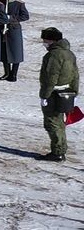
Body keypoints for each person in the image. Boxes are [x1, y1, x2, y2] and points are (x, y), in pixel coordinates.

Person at [37, 27, 78, 162]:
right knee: (59, 122)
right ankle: (61, 149)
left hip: (53, 93)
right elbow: (75, 75)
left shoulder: (54, 55)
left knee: (52, 123)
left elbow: (51, 77)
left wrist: (44, 95)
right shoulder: (69, 53)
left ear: (52, 40)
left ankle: (57, 152)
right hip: (65, 92)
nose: (44, 42)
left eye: (45, 40)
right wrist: (74, 91)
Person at [0, 0, 30, 81]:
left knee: (16, 52)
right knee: (4, 51)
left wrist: (11, 18)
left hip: (14, 29)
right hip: (2, 29)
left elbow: (25, 16)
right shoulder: (0, 2)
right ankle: (7, 72)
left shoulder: (19, 3)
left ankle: (14, 74)